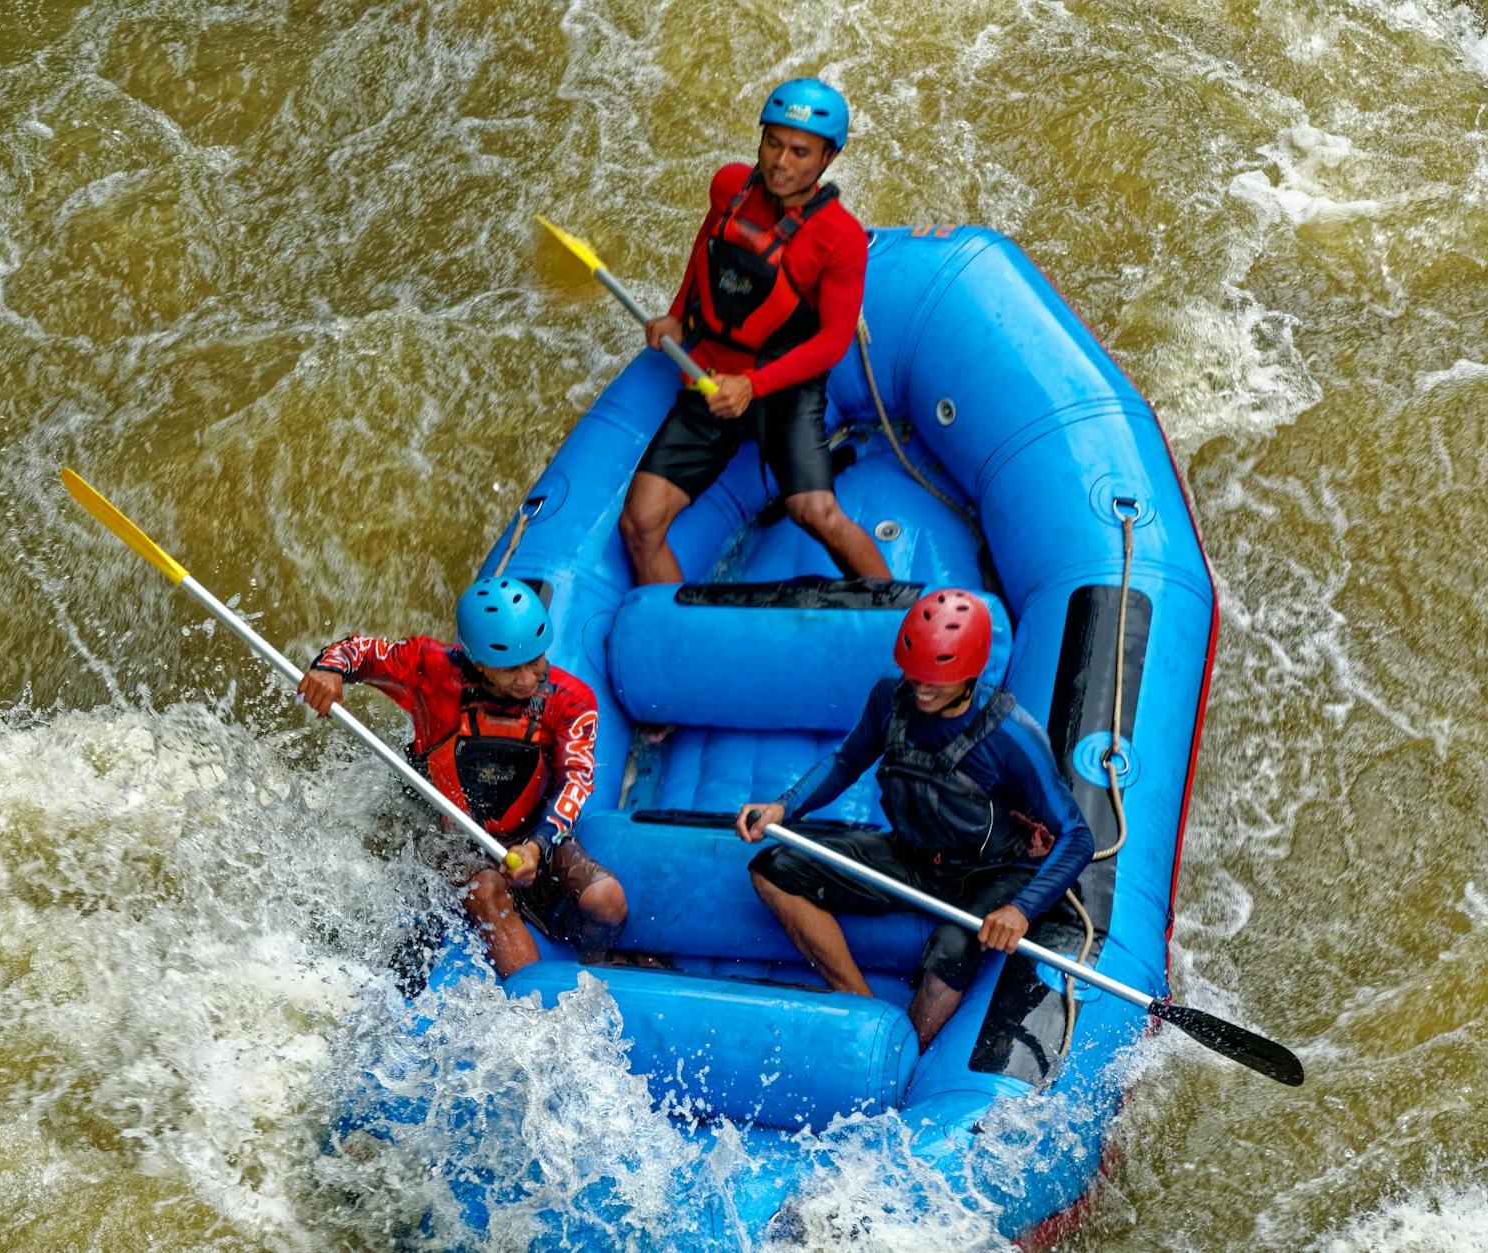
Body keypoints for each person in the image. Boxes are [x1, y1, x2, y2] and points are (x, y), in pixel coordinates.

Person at [735, 588, 1095, 1049]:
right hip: (913, 856)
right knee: (773, 869)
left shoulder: (1011, 735)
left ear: (970, 673)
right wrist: (785, 806)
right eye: (915, 675)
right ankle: (860, 1007)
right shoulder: (891, 697)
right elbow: (847, 762)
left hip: (992, 873)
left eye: (936, 680)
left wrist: (1020, 910)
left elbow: (1077, 835)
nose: (921, 689)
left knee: (951, 950)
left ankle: (911, 1052)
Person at [620, 77, 890, 586]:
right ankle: (680, 641)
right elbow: (707, 245)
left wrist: (753, 386)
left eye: (800, 151)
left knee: (815, 512)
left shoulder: (840, 238)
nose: (781, 163)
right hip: (714, 375)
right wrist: (678, 312)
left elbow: (833, 341)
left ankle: (897, 611)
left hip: (783, 387)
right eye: (773, 143)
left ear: (827, 160)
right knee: (639, 523)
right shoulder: (728, 187)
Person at [296, 577, 626, 977]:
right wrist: (329, 669)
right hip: (448, 834)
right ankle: (530, 1004)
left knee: (607, 901)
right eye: (510, 668)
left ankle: (588, 959)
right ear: (478, 661)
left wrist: (539, 845)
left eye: (535, 661)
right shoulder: (432, 669)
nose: (526, 678)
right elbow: (360, 651)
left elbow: (577, 780)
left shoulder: (570, 698)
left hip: (532, 835)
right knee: (487, 887)